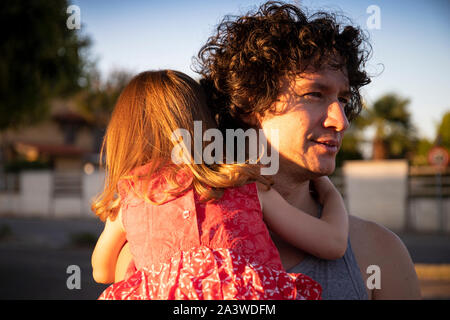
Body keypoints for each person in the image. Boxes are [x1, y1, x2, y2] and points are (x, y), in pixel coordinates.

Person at [193, 1, 421, 299]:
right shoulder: (174, 241)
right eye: (315, 93)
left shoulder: (378, 252)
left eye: (342, 99)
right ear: (250, 102)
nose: (340, 121)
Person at [91, 69, 350, 300]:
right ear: (205, 124)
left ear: (124, 136)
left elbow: (101, 270)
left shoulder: (133, 198)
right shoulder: (244, 185)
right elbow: (334, 242)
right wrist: (328, 191)